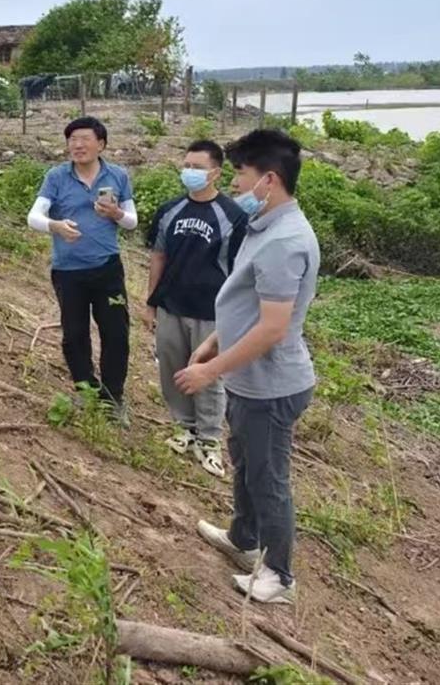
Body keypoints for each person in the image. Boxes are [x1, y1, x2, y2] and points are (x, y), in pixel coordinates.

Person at [174, 129, 319, 604]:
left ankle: (279, 576)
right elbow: (248, 305)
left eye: (240, 173)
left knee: (268, 477)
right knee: (246, 464)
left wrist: (210, 372)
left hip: (271, 385)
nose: (236, 183)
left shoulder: (285, 241)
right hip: (248, 377)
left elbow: (273, 327)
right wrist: (216, 341)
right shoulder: (267, 228)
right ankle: (243, 539)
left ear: (269, 180)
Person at [144, 139, 246, 477]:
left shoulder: (233, 216)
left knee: (208, 375)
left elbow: (241, 269)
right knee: (173, 369)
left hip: (213, 312)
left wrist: (235, 314)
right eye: (186, 165)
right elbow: (158, 256)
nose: (189, 172)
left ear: (215, 172)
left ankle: (210, 439)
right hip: (171, 304)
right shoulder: (170, 210)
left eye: (197, 167)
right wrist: (151, 302)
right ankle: (184, 428)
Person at [27, 117, 137, 423]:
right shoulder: (57, 177)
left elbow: (132, 221)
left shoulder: (117, 175)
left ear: (101, 144)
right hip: (68, 272)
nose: (78, 145)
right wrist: (55, 226)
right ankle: (85, 390)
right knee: (74, 334)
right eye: (72, 139)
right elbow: (33, 216)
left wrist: (116, 213)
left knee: (116, 333)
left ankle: (113, 398)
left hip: (107, 269)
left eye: (85, 139)